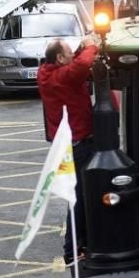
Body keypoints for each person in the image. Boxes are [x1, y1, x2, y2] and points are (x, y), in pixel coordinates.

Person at [38, 35, 100, 263]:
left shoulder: (46, 73)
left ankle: (78, 245)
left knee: (79, 195)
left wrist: (82, 47)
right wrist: (92, 44)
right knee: (80, 197)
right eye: (68, 52)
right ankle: (72, 249)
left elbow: (76, 63)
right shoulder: (62, 77)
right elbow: (82, 65)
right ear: (59, 58)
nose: (73, 54)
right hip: (78, 144)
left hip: (67, 144)